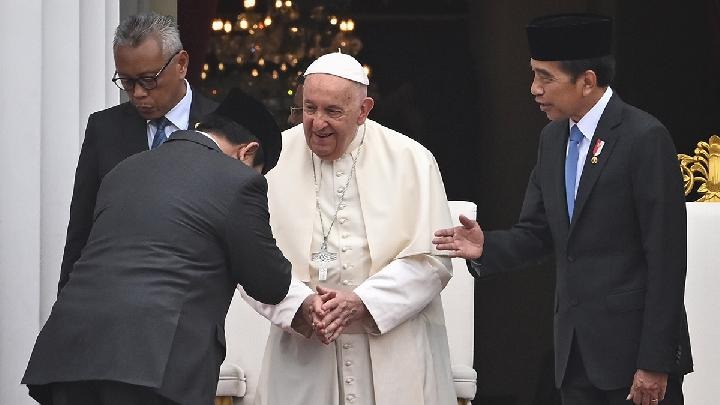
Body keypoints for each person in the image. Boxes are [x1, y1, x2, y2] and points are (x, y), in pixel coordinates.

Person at [433, 13, 692, 405]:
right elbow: (539, 233)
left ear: (587, 81)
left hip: (635, 359)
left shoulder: (644, 138)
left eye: (546, 77)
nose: (534, 89)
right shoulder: (553, 139)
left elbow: (667, 259)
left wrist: (655, 362)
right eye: (533, 75)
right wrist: (487, 247)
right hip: (575, 358)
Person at [22, 91, 292, 405]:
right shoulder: (238, 181)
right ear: (248, 153)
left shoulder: (125, 169)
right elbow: (270, 283)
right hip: (153, 363)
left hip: (70, 357)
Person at [241, 52, 457, 405]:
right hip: (306, 350)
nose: (317, 123)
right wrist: (300, 304)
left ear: (363, 109)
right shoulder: (272, 159)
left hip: (393, 348)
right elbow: (248, 259)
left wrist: (363, 302)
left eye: (333, 111)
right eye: (309, 108)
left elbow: (433, 261)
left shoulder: (412, 160)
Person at [58, 12, 218, 293]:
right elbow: (81, 232)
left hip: (197, 303)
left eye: (148, 79)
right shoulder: (103, 129)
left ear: (181, 64)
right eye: (127, 82)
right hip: (118, 302)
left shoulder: (223, 126)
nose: (138, 93)